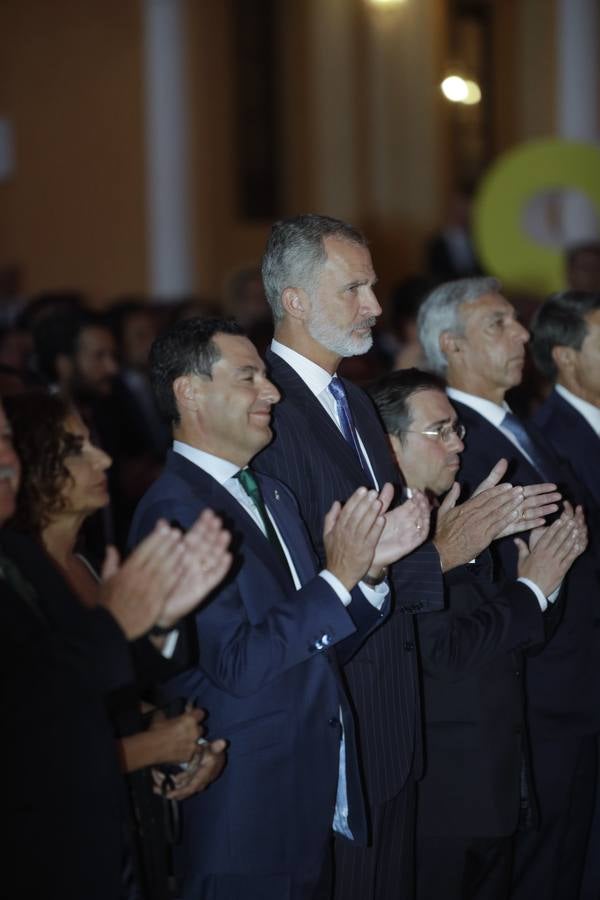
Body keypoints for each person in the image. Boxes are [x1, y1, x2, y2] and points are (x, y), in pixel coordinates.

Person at [252, 215, 556, 899]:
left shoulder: (355, 403)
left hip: (394, 727)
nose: (374, 305)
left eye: (373, 286)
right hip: (338, 725)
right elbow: (310, 578)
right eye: (353, 289)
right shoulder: (271, 411)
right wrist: (443, 553)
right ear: (294, 300)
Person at [128, 316, 427, 900]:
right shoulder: (176, 509)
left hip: (306, 796)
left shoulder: (273, 494)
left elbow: (316, 643)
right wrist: (338, 577)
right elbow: (237, 663)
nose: (271, 391)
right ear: (189, 392)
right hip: (244, 810)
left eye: (266, 376)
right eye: (249, 378)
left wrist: (368, 575)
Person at [0, 393, 232, 899]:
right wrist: (149, 748)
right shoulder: (18, 569)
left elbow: (100, 693)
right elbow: (31, 737)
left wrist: (162, 621)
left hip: (113, 843)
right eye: (74, 448)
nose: (103, 459)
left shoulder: (54, 563)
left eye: (7, 440)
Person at [368, 367, 586, 900]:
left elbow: (517, 640)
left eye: (458, 429)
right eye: (439, 431)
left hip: (495, 785)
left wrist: (547, 582)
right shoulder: (383, 535)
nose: (458, 445)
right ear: (390, 444)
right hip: (439, 800)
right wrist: (529, 591)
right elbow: (444, 653)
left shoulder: (456, 514)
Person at [417, 276, 600, 900]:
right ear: (452, 345)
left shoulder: (517, 424)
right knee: (538, 873)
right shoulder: (456, 444)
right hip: (535, 692)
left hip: (569, 686)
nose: (522, 334)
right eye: (498, 324)